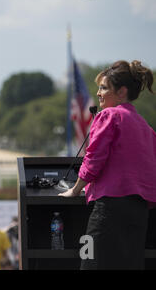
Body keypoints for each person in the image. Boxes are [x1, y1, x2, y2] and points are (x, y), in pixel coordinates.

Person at [59, 60, 156, 270]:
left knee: (90, 264)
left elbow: (94, 158)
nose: (99, 93)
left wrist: (75, 190)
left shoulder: (109, 115)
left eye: (103, 88)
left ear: (121, 92)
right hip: (139, 212)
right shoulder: (145, 127)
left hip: (109, 210)